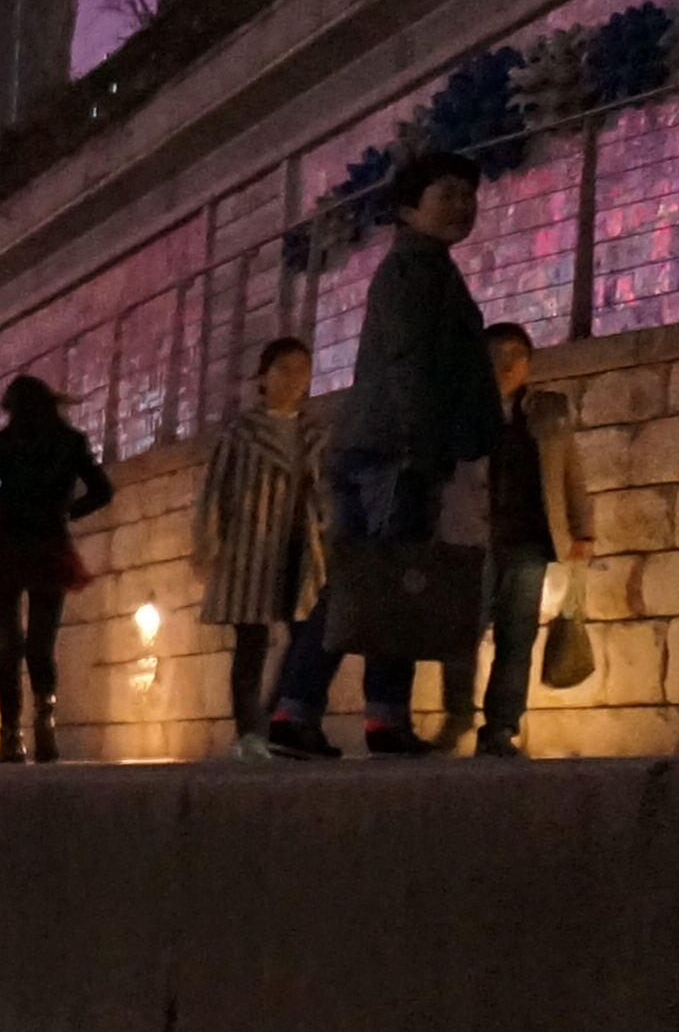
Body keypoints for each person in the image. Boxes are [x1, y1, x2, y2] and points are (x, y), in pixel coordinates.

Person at [268, 152, 501, 759]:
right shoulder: (415, 270)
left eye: (465, 194)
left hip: (380, 445)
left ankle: (317, 713)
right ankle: (365, 718)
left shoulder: (423, 268)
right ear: (406, 209)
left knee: (365, 582)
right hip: (395, 450)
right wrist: (424, 445)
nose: (461, 204)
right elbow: (410, 364)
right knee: (386, 582)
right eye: (445, 194)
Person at [449, 322, 594, 756]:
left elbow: (571, 472)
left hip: (528, 541)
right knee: (462, 636)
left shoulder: (548, 412)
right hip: (474, 540)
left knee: (518, 638)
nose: (507, 364)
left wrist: (583, 529)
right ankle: (459, 714)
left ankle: (501, 728)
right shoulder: (460, 415)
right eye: (496, 355)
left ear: (529, 363)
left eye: (516, 355)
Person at [0, 375, 113, 763]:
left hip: (10, 542)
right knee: (42, 643)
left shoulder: (5, 443)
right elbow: (103, 490)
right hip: (50, 542)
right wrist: (68, 511)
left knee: (7, 644)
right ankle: (45, 728)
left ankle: (11, 737)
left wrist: (1, 494)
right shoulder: (71, 441)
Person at [191, 336, 327, 755]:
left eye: (302, 371)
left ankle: (285, 719)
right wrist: (208, 544)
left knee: (308, 634)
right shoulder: (241, 432)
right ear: (262, 378)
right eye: (284, 369)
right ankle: (250, 731)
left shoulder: (312, 432)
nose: (294, 379)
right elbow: (214, 491)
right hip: (249, 547)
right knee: (251, 641)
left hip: (298, 545)